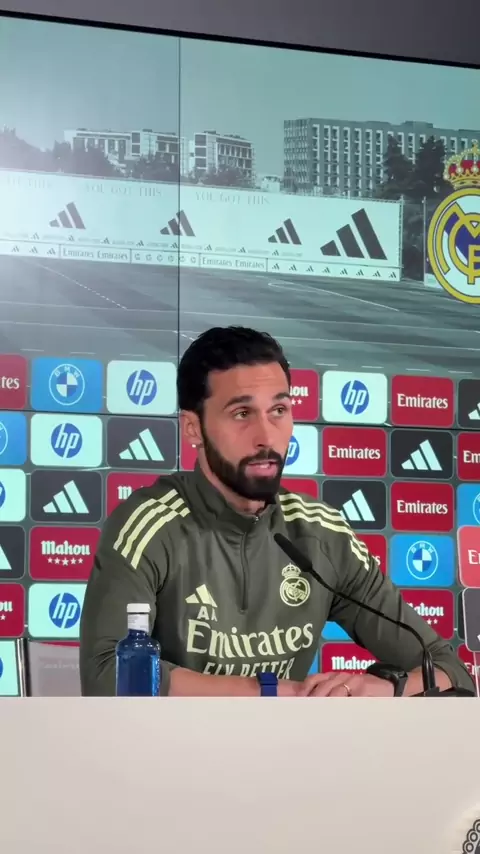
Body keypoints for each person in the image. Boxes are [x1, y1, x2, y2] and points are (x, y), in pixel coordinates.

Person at [79, 325, 474, 698]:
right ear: (193, 428)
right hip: (172, 746)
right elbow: (106, 674)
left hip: (292, 746)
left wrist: (383, 689)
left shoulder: (322, 535)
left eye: (279, 410)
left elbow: (449, 670)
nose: (266, 436)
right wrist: (269, 692)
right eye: (241, 414)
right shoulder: (149, 525)